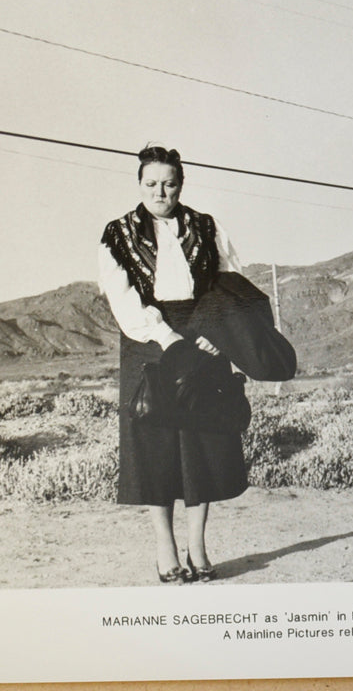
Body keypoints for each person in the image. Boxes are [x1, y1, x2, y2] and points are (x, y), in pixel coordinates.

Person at [98, 145, 246, 584]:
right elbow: (122, 297)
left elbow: (230, 282)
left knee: (203, 442)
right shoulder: (117, 233)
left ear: (181, 185)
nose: (160, 192)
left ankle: (197, 546)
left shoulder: (206, 226)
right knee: (154, 445)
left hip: (204, 338)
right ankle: (165, 548)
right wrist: (166, 337)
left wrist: (217, 334)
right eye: (151, 183)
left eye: (169, 183)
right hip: (147, 341)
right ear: (139, 184)